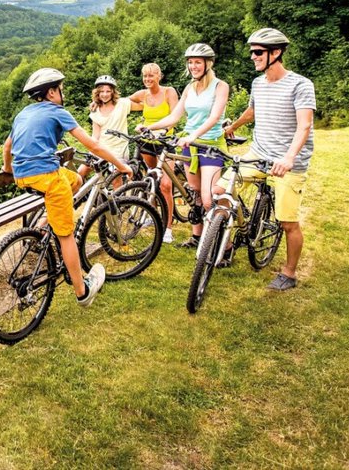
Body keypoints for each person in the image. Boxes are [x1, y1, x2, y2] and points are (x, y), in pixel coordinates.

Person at [3, 67, 132, 306]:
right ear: (51, 92)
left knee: (76, 180)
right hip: (47, 178)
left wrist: (8, 170)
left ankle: (46, 222)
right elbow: (93, 145)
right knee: (66, 236)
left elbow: (7, 146)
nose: (62, 93)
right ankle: (83, 291)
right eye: (60, 89)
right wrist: (121, 166)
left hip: (24, 176)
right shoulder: (58, 111)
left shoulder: (23, 113)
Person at [225, 28, 315, 292]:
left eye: (257, 52)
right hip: (258, 153)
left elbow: (304, 126)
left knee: (287, 222)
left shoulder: (301, 84)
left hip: (288, 163)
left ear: (276, 53)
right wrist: (232, 127)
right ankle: (226, 241)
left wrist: (289, 157)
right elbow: (252, 111)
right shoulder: (257, 83)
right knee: (221, 191)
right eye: (252, 52)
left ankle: (289, 272)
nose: (252, 57)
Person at [146, 44, 230, 251]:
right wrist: (149, 127)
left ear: (208, 64)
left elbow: (215, 117)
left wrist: (194, 135)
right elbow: (175, 116)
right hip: (189, 146)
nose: (193, 66)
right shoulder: (189, 88)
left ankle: (225, 245)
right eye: (191, 62)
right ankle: (196, 235)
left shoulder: (220, 86)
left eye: (197, 62)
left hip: (210, 145)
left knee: (210, 197)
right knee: (194, 193)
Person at [128, 63, 178, 244]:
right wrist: (98, 101)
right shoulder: (142, 94)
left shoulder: (169, 92)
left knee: (165, 185)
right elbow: (123, 101)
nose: (148, 79)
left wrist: (166, 129)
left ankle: (168, 226)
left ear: (159, 76)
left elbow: (175, 115)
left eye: (151, 76)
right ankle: (154, 215)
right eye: (145, 76)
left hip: (165, 143)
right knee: (152, 181)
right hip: (147, 142)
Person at [76, 75, 134, 179]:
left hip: (118, 151)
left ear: (113, 92)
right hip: (102, 149)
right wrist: (91, 149)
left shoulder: (122, 104)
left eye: (108, 91)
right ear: (97, 93)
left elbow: (144, 103)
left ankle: (120, 196)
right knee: (80, 172)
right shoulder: (96, 110)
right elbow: (95, 136)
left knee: (115, 179)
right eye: (102, 91)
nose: (105, 94)